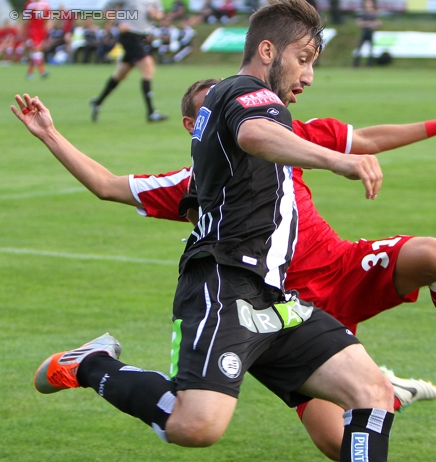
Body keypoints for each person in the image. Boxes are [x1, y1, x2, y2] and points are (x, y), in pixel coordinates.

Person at [13, 76, 436, 459]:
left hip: (338, 272)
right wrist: (50, 134)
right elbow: (107, 184)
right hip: (275, 307)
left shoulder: (288, 135)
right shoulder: (196, 182)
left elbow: (364, 138)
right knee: (340, 444)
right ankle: (91, 364)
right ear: (197, 127)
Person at [22, 1, 399, 459]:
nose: (309, 75)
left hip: (275, 297)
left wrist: (50, 134)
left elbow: (108, 185)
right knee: (195, 425)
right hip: (225, 286)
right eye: (303, 60)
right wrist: (335, 159)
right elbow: (254, 134)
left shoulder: (222, 142)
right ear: (267, 51)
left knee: (373, 392)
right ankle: (91, 364)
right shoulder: (247, 91)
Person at [89, 0, 168, 123]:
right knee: (148, 67)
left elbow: (160, 15)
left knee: (120, 74)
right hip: (129, 35)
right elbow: (106, 9)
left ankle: (98, 102)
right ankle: (151, 112)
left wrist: (155, 15)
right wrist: (117, 23)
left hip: (143, 37)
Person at [23, 0, 51, 79]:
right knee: (37, 50)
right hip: (33, 30)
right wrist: (26, 32)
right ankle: (42, 71)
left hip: (41, 30)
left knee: (36, 52)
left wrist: (46, 30)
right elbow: (25, 18)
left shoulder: (45, 4)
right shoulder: (30, 4)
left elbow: (48, 18)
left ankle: (29, 73)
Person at [352, 0, 381, 67]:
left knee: (371, 50)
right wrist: (369, 24)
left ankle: (369, 64)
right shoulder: (363, 13)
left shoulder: (373, 13)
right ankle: (355, 64)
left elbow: (378, 23)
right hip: (364, 32)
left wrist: (366, 24)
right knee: (358, 49)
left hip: (370, 32)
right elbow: (359, 23)